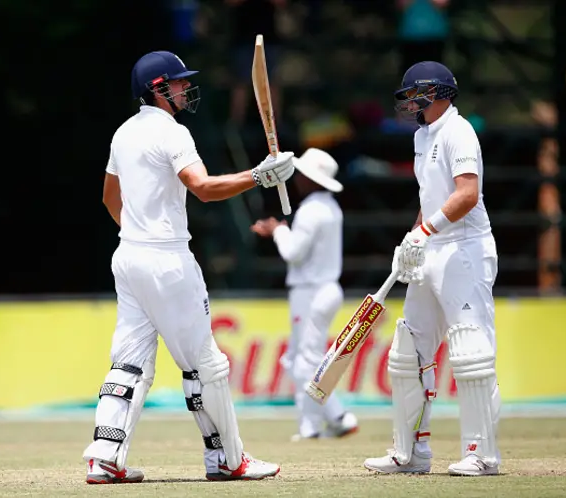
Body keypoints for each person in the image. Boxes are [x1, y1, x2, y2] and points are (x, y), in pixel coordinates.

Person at [83, 50, 295, 484]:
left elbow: (109, 198)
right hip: (167, 261)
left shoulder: (122, 133)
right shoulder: (173, 132)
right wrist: (259, 176)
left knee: (128, 363)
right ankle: (228, 459)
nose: (185, 89)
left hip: (128, 258)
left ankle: (104, 457)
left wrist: (139, 233)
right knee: (205, 365)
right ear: (157, 89)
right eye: (178, 83)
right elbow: (201, 188)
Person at [363, 61, 501, 476]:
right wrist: (412, 240)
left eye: (413, 94)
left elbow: (468, 195)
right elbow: (430, 199)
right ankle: (410, 452)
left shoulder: (460, 132)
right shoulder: (424, 136)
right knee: (410, 351)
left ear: (435, 93)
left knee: (471, 353)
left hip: (465, 249)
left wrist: (426, 230)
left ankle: (483, 454)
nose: (408, 103)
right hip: (433, 246)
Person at [250, 148, 358, 441]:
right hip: (323, 289)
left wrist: (277, 231)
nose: (298, 179)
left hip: (310, 291)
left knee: (304, 361)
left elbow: (293, 253)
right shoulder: (330, 208)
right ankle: (335, 416)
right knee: (297, 359)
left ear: (311, 180)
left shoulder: (311, 210)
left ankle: (313, 425)